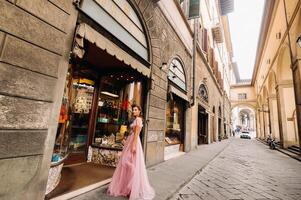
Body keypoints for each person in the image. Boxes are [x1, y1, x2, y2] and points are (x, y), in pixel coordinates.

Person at [107, 104, 155, 200]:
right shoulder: (136, 119)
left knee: (128, 162)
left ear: (139, 111)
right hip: (131, 141)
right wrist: (126, 139)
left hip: (134, 142)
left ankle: (132, 187)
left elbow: (136, 134)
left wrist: (133, 145)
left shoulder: (138, 119)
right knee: (128, 163)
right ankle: (129, 187)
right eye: (133, 110)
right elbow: (132, 132)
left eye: (135, 109)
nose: (133, 111)